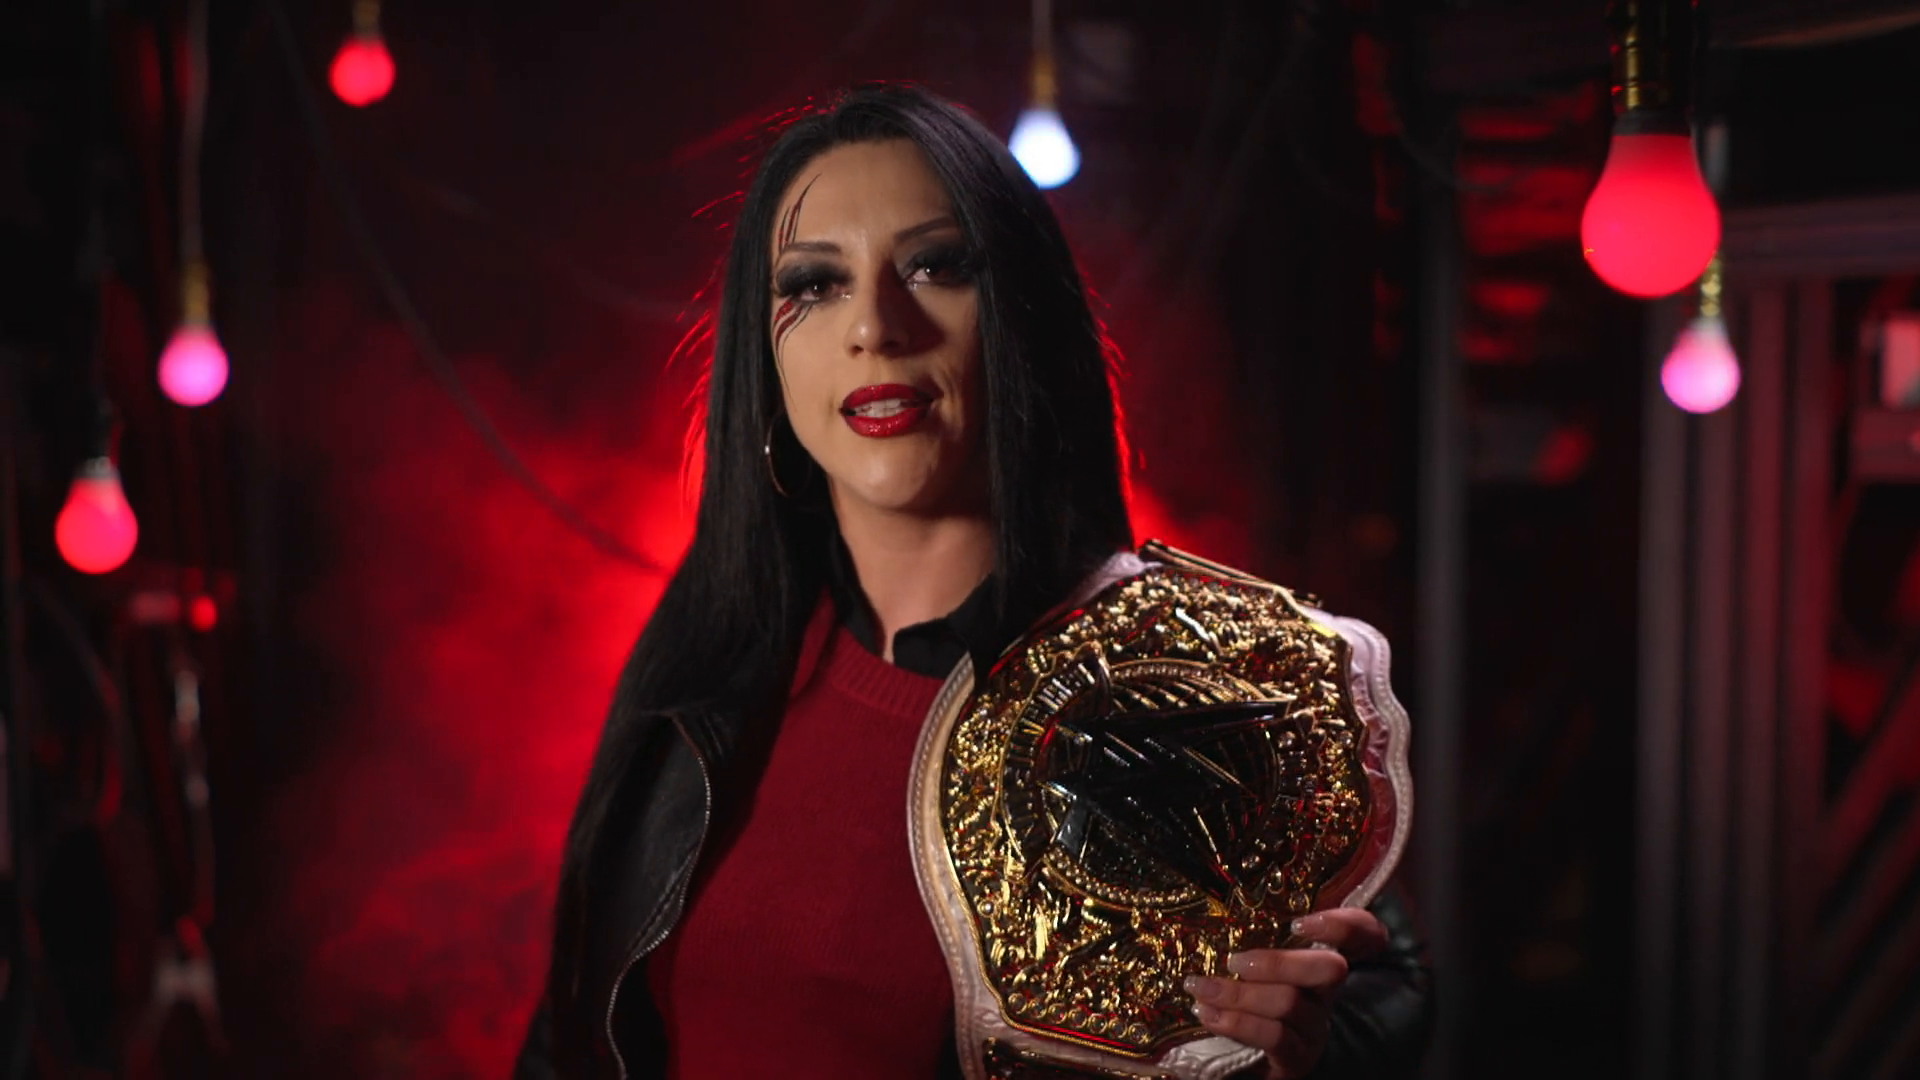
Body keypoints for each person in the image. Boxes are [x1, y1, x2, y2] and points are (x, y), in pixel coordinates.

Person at [514, 83, 1430, 1080]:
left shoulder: (1167, 690)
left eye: (936, 266)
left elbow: (1383, 997)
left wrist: (1300, 1052)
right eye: (815, 283)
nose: (876, 326)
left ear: (1023, 318)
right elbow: (569, 1035)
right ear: (762, 358)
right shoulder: (708, 667)